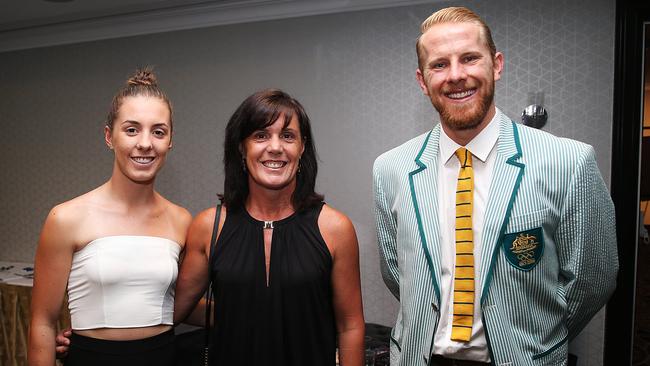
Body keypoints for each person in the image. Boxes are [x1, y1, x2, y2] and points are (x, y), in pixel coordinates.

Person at [372, 6, 618, 366]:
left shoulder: (568, 162)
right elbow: (398, 273)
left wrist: (536, 335)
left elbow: (593, 279)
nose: (456, 75)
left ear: (496, 65)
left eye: (469, 58)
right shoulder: (390, 169)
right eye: (439, 64)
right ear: (423, 80)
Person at [173, 89, 365, 365]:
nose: (275, 147)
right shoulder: (209, 227)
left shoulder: (335, 229)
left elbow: (351, 327)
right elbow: (178, 310)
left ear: (302, 147)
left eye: (287, 136)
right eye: (260, 135)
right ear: (241, 147)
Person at [29, 68, 192, 366]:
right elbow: (41, 322)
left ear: (170, 141)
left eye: (158, 131)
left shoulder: (181, 221)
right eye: (131, 130)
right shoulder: (66, 218)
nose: (145, 143)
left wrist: (255, 308)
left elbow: (180, 301)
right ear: (109, 136)